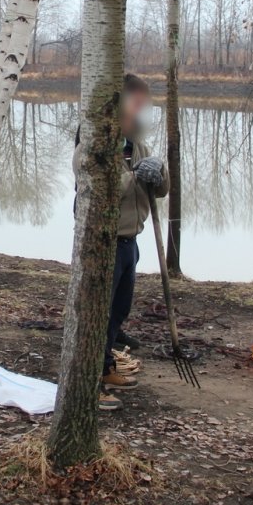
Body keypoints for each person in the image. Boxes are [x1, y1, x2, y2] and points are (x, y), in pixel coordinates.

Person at [73, 73, 168, 412]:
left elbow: (160, 190)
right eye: (135, 104)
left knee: (118, 312)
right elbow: (100, 189)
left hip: (129, 241)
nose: (139, 112)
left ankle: (105, 367)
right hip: (103, 243)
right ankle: (88, 385)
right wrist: (134, 176)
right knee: (97, 315)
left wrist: (158, 171)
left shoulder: (136, 143)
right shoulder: (93, 144)